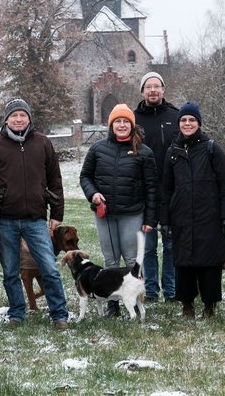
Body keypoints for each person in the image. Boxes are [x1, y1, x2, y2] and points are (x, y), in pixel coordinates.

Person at [0, 98, 69, 330]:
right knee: (10, 271)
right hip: (6, 220)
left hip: (36, 219)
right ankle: (17, 313)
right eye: (14, 115)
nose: (18, 119)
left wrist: (56, 213)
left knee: (49, 267)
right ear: (7, 119)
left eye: (22, 115)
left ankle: (59, 314)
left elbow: (55, 180)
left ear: (29, 118)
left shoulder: (42, 143)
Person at [79, 103, 159, 317]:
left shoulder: (144, 152)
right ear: (111, 125)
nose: (122, 125)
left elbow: (152, 188)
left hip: (132, 213)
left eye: (126, 121)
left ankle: (136, 303)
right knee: (110, 260)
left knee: (133, 261)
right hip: (104, 214)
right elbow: (85, 176)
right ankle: (112, 304)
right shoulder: (97, 149)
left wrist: (150, 218)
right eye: (118, 121)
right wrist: (93, 194)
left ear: (131, 125)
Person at [161, 102, 225, 319]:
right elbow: (166, 189)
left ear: (199, 123)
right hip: (181, 216)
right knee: (183, 263)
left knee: (210, 263)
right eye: (183, 120)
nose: (187, 123)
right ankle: (187, 305)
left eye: (191, 120)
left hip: (209, 216)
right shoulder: (172, 152)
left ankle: (210, 305)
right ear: (179, 124)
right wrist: (164, 220)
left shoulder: (212, 148)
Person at [134, 71, 179, 303]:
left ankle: (171, 291)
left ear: (163, 89)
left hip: (171, 191)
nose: (153, 90)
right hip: (145, 193)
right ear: (142, 92)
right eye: (148, 87)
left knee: (171, 245)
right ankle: (151, 291)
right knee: (148, 247)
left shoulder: (176, 116)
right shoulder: (133, 119)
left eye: (157, 86)